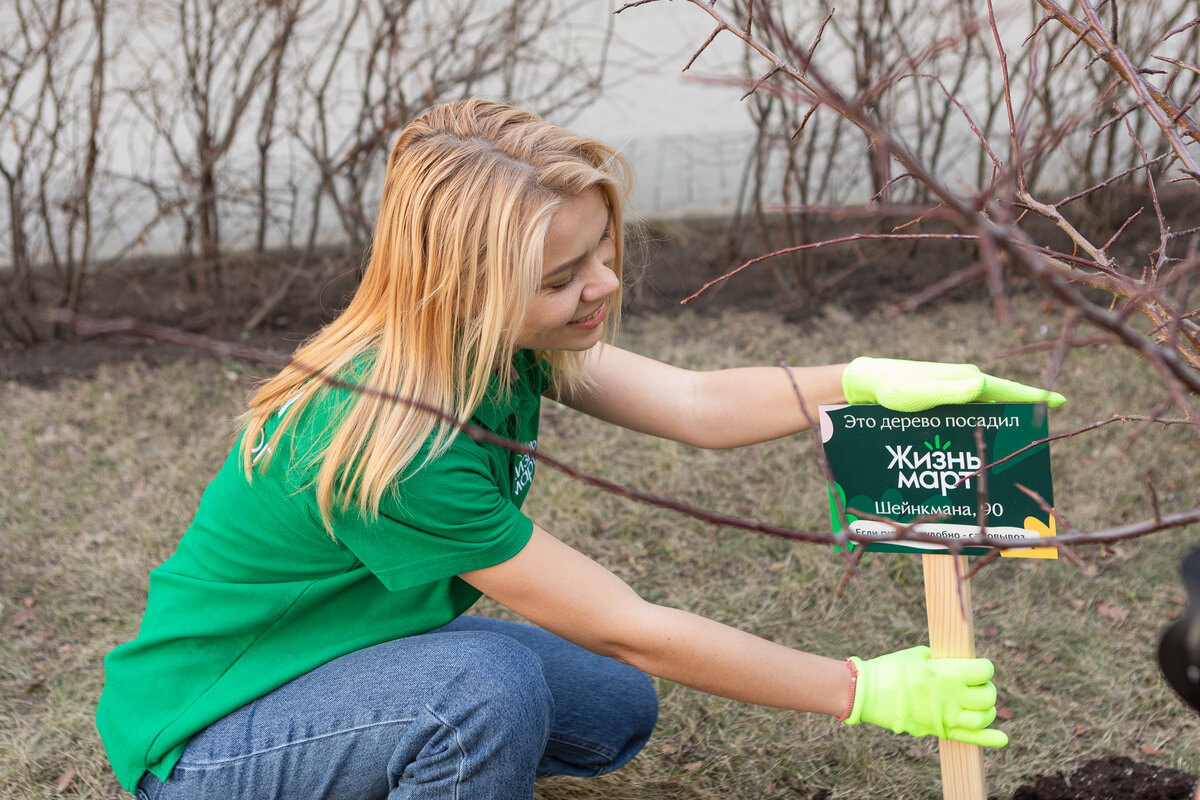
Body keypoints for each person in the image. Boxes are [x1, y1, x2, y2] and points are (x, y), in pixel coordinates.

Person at [96, 98, 1065, 800]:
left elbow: (693, 404)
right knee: (481, 694)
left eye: (602, 248)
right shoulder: (398, 439)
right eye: (565, 276)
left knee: (607, 705)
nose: (602, 285)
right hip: (205, 742)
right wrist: (864, 689)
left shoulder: (505, 344)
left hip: (342, 655)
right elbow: (626, 620)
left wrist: (862, 379)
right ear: (466, 288)